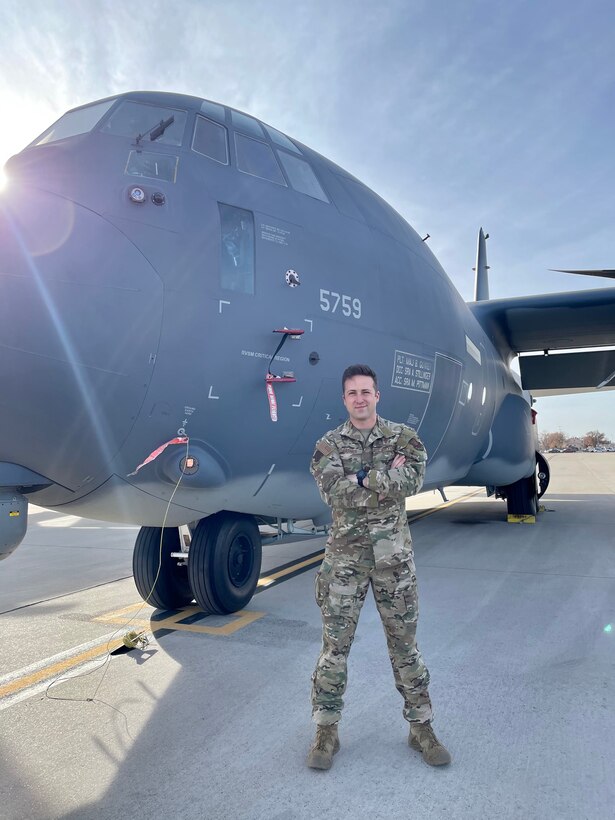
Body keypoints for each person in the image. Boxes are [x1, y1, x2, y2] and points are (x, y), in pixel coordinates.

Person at [307, 364, 451, 770]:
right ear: (344, 399)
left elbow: (413, 480)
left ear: (377, 395)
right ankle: (326, 730)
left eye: (366, 391)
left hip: (394, 564)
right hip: (345, 564)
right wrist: (383, 476)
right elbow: (332, 491)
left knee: (405, 648)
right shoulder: (327, 444)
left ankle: (421, 727)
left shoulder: (404, 437)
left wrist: (362, 477)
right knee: (334, 651)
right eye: (352, 392)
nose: (360, 398)